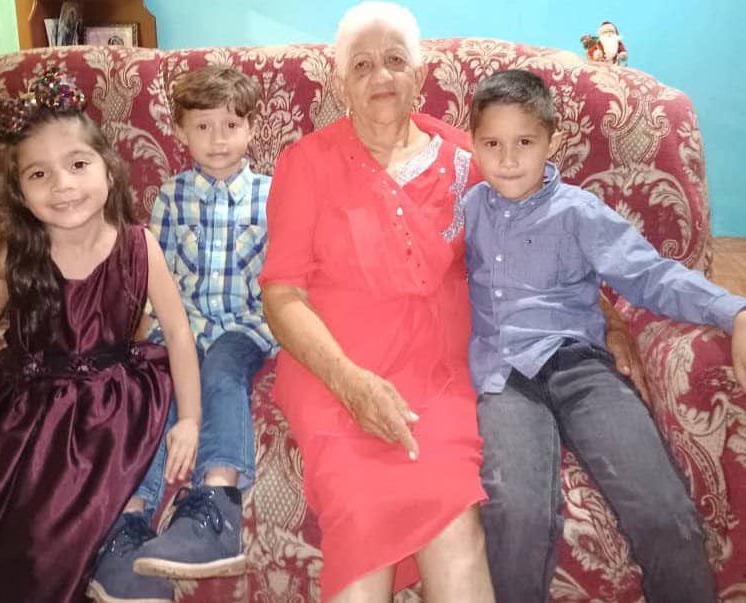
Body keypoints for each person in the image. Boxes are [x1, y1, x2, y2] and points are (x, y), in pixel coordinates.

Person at [259, 3, 642, 601]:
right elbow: (282, 294)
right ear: (339, 84)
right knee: (362, 515)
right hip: (335, 375)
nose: (380, 75)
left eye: (395, 60)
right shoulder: (304, 163)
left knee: (455, 526)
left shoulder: (468, 158)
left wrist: (611, 319)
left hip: (439, 378)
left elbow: (544, 239)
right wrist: (351, 385)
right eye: (361, 65)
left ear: (420, 72)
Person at [464, 69, 746, 603]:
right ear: (473, 144)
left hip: (581, 368)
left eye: (524, 142)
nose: (508, 159)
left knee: (663, 511)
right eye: (492, 144)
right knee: (516, 515)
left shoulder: (579, 212)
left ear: (552, 141)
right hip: (505, 380)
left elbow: (649, 274)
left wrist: (732, 310)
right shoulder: (467, 211)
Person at [0, 69, 201, 603]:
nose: (62, 185)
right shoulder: (15, 255)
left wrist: (191, 420)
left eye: (78, 165)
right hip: (29, 403)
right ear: (20, 192)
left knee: (65, 516)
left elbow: (178, 333)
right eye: (39, 174)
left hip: (115, 404)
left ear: (109, 170)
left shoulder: (138, 246)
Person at [93, 65, 277, 600]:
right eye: (203, 127)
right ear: (180, 131)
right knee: (152, 388)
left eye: (231, 125)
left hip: (244, 327)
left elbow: (282, 276)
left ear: (252, 128)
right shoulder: (172, 197)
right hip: (184, 325)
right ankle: (129, 523)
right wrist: (144, 339)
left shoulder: (272, 194)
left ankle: (216, 507)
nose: (218, 140)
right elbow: (159, 279)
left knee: (220, 370)